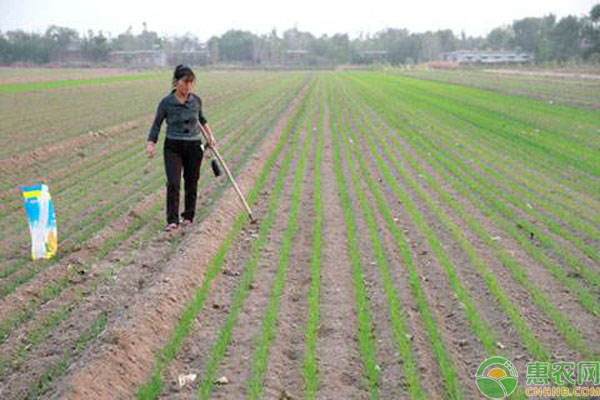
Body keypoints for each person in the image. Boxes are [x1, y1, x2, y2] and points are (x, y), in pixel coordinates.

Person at [146, 64, 217, 232]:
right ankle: (172, 220)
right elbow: (157, 123)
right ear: (176, 82)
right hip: (173, 146)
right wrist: (151, 143)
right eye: (185, 82)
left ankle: (188, 217)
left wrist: (211, 137)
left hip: (194, 146)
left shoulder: (196, 101)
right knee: (173, 183)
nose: (188, 86)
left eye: (191, 82)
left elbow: (202, 119)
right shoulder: (166, 103)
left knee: (192, 182)